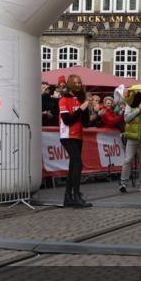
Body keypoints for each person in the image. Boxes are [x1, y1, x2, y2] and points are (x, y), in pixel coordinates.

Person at [58, 74, 96, 207]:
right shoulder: (63, 100)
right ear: (69, 84)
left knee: (73, 166)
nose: (78, 85)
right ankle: (76, 196)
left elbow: (85, 123)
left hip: (78, 136)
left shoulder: (80, 100)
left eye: (79, 83)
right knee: (78, 164)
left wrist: (91, 112)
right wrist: (81, 108)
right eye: (75, 83)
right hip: (67, 136)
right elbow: (68, 120)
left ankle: (68, 197)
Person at [119, 90, 141, 193]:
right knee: (128, 159)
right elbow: (126, 118)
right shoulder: (130, 104)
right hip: (133, 136)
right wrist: (138, 110)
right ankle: (123, 183)